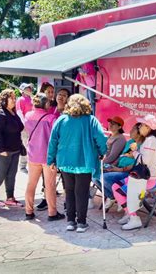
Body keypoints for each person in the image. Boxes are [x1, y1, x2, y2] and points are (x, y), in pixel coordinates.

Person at [47, 94, 107, 233]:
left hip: (65, 161)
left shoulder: (61, 119)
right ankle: (81, 222)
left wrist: (51, 160)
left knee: (69, 191)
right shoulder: (91, 120)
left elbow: (53, 141)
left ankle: (70, 221)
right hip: (84, 162)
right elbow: (101, 139)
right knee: (82, 192)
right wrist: (102, 152)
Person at [112, 114, 156, 230]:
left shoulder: (150, 141)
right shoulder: (149, 140)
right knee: (115, 187)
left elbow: (145, 160)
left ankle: (134, 218)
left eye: (141, 126)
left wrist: (134, 152)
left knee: (118, 190)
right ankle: (129, 214)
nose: (139, 128)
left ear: (148, 127)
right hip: (140, 177)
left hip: (146, 179)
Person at [24, 93, 65, 221]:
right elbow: (58, 137)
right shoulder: (51, 118)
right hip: (48, 157)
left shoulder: (28, 115)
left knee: (31, 184)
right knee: (50, 186)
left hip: (33, 155)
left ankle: (29, 211)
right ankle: (52, 213)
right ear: (45, 104)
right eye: (48, 102)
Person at [0, 89, 24, 207]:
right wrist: (2, 150)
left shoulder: (13, 112)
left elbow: (17, 131)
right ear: (4, 100)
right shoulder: (0, 114)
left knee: (12, 174)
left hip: (14, 150)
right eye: (11, 97)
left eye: (14, 97)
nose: (14, 99)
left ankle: (10, 198)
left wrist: (20, 145)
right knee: (0, 175)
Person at [102, 123, 144, 210]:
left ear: (140, 132)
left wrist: (119, 169)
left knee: (104, 177)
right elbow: (121, 157)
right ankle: (114, 197)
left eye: (133, 130)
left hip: (130, 173)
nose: (130, 131)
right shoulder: (130, 142)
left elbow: (138, 164)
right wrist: (112, 166)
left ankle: (121, 199)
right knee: (96, 174)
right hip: (119, 168)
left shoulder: (143, 145)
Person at [88, 115, 126, 209]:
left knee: (95, 175)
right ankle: (105, 197)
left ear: (119, 126)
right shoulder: (111, 135)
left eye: (113, 124)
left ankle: (112, 196)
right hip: (104, 163)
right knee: (91, 176)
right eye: (110, 123)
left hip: (111, 165)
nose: (110, 125)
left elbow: (112, 156)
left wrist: (99, 162)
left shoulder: (120, 138)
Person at [36, 82, 62, 211]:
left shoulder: (56, 107)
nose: (52, 94)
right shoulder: (41, 109)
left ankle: (49, 196)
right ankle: (45, 198)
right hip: (44, 145)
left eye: (53, 92)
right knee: (44, 174)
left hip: (56, 144)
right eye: (49, 92)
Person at [16, 82, 34, 173]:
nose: (29, 90)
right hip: (24, 127)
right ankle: (22, 166)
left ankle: (30, 164)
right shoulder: (20, 100)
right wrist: (24, 124)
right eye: (27, 89)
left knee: (31, 145)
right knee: (25, 145)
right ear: (22, 91)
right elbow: (19, 113)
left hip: (33, 126)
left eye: (30, 89)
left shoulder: (32, 99)